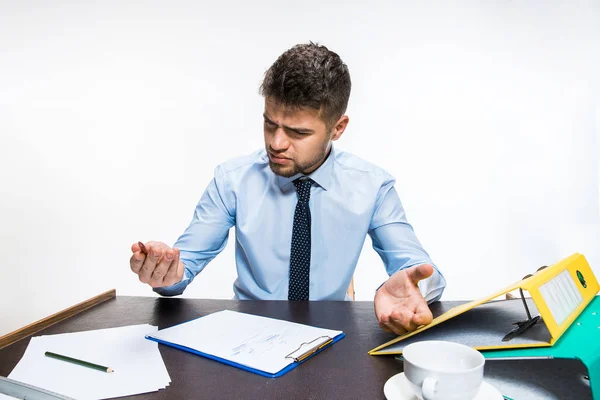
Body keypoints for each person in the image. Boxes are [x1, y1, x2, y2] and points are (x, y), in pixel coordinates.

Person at [129, 43, 446, 335]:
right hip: (247, 335)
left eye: (298, 132)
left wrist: (413, 288)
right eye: (270, 123)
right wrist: (165, 272)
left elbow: (420, 269)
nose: (276, 143)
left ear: (338, 128)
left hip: (333, 336)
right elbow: (184, 265)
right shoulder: (232, 180)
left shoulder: (372, 186)